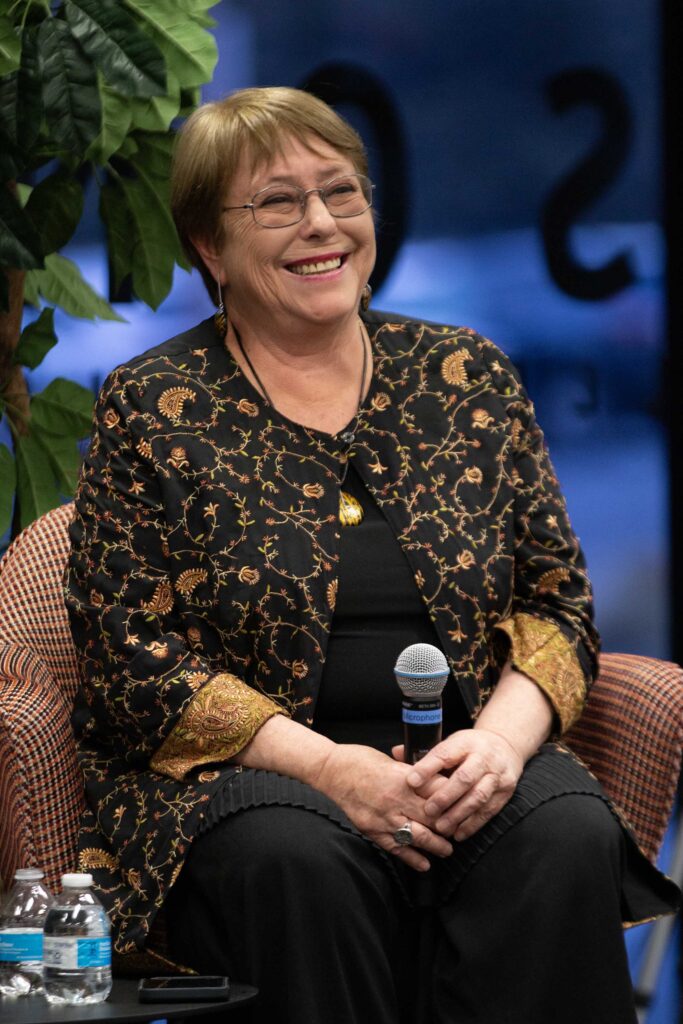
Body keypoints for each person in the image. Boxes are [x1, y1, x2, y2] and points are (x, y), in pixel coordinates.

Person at [65, 86, 678, 1024]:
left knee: (558, 830)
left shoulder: (466, 375)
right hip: (250, 778)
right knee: (295, 860)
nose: (321, 224)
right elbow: (130, 658)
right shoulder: (152, 407)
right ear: (207, 247)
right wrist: (330, 769)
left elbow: (558, 606)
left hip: (464, 751)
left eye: (341, 193)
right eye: (276, 202)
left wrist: (499, 751)